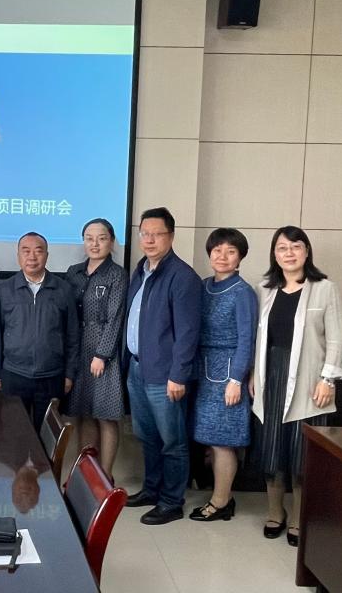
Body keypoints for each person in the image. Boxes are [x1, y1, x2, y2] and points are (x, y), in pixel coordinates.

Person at [252, 225, 342, 547]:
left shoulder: (325, 288)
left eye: (295, 247)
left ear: (306, 251)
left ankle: (299, 517)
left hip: (309, 379)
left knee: (302, 455)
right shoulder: (265, 289)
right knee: (273, 450)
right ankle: (274, 512)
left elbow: (336, 337)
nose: (288, 253)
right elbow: (258, 338)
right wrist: (251, 375)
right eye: (282, 248)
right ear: (274, 254)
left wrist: (328, 379)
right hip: (271, 377)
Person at [123, 207, 201, 526]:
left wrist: (178, 375)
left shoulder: (182, 277)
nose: (150, 240)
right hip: (137, 369)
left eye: (157, 234)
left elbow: (188, 332)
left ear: (171, 236)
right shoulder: (141, 271)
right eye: (145, 233)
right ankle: (152, 490)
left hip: (166, 375)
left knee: (173, 441)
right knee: (147, 436)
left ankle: (171, 501)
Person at [188, 228, 258, 522]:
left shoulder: (243, 292)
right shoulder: (204, 286)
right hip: (203, 370)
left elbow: (247, 340)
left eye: (231, 252)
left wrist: (236, 380)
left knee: (222, 440)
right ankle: (219, 496)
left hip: (228, 373)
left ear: (240, 257)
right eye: (217, 250)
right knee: (208, 437)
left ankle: (221, 502)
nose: (223, 256)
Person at [0, 232, 79, 431]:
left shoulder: (63, 289)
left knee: (47, 434)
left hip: (52, 376)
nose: (32, 257)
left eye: (38, 251)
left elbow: (72, 335)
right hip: (14, 374)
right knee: (13, 432)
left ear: (47, 255)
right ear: (18, 256)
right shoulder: (4, 290)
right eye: (26, 251)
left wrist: (69, 374)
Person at [63, 218, 127, 479]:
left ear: (111, 241)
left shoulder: (117, 274)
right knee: (84, 413)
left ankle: (106, 475)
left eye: (101, 238)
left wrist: (102, 354)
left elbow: (115, 318)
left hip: (103, 352)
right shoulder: (74, 272)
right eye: (89, 238)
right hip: (77, 348)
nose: (95, 244)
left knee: (105, 414)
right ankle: (86, 473)